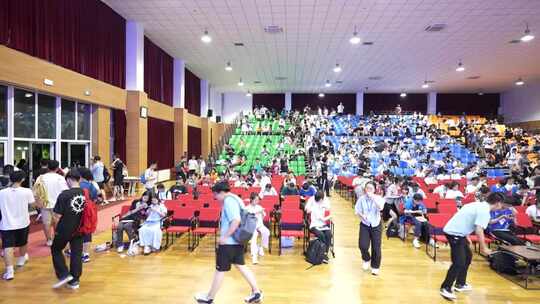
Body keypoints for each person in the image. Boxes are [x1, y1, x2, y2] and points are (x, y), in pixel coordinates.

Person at [195, 182, 263, 304]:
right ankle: (256, 292)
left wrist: (224, 237)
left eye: (215, 195)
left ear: (221, 192)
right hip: (237, 241)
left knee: (220, 270)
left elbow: (236, 221)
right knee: (241, 266)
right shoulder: (235, 198)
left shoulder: (228, 201)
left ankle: (209, 298)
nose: (215, 198)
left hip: (229, 243)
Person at [439, 192, 504, 300]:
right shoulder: (484, 211)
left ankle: (460, 284)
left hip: (460, 234)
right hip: (454, 234)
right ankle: (445, 287)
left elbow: (466, 220)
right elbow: (479, 230)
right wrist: (484, 248)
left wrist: (467, 236)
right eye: (502, 205)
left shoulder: (478, 205)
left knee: (467, 257)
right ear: (497, 203)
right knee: (458, 262)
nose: (501, 207)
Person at [51, 169, 86, 290]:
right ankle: (75, 280)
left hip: (65, 228)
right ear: (79, 179)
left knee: (55, 249)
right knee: (76, 252)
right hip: (80, 227)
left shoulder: (64, 194)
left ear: (69, 180)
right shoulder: (84, 192)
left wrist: (55, 229)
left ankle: (64, 274)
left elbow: (56, 216)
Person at [0, 171, 35, 280]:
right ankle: (21, 259)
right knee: (23, 242)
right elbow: (32, 205)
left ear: (10, 178)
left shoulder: (2, 193)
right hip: (23, 222)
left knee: (7, 246)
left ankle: (10, 271)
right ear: (23, 179)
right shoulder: (27, 191)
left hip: (6, 224)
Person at [33, 160, 68, 246]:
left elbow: (36, 192)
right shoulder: (60, 178)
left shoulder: (40, 178)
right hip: (57, 204)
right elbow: (65, 191)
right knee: (57, 222)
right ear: (57, 168)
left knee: (46, 223)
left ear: (48, 167)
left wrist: (37, 202)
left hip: (44, 203)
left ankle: (49, 240)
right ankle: (57, 238)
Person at [354, 181, 385, 275]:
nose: (368, 190)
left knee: (376, 247)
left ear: (374, 190)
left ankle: (375, 266)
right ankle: (366, 258)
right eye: (367, 188)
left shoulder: (379, 198)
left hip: (376, 225)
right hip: (365, 224)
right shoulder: (361, 199)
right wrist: (362, 215)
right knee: (362, 245)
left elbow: (380, 208)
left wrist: (373, 198)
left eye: (371, 188)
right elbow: (357, 210)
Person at [305, 190, 332, 263]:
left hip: (322, 224)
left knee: (329, 234)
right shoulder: (311, 199)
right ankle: (321, 254)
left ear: (322, 199)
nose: (318, 202)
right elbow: (307, 210)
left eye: (319, 200)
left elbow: (328, 209)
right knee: (321, 235)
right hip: (314, 224)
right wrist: (313, 209)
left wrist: (323, 207)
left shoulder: (325, 200)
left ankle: (325, 252)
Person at [245, 193, 270, 265]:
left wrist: (262, 212)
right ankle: (254, 258)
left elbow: (264, 216)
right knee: (254, 238)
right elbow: (247, 216)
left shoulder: (259, 207)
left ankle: (261, 246)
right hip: (251, 227)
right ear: (251, 200)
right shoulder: (247, 208)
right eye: (256, 200)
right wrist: (257, 212)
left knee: (267, 232)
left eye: (258, 200)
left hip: (260, 225)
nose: (257, 201)